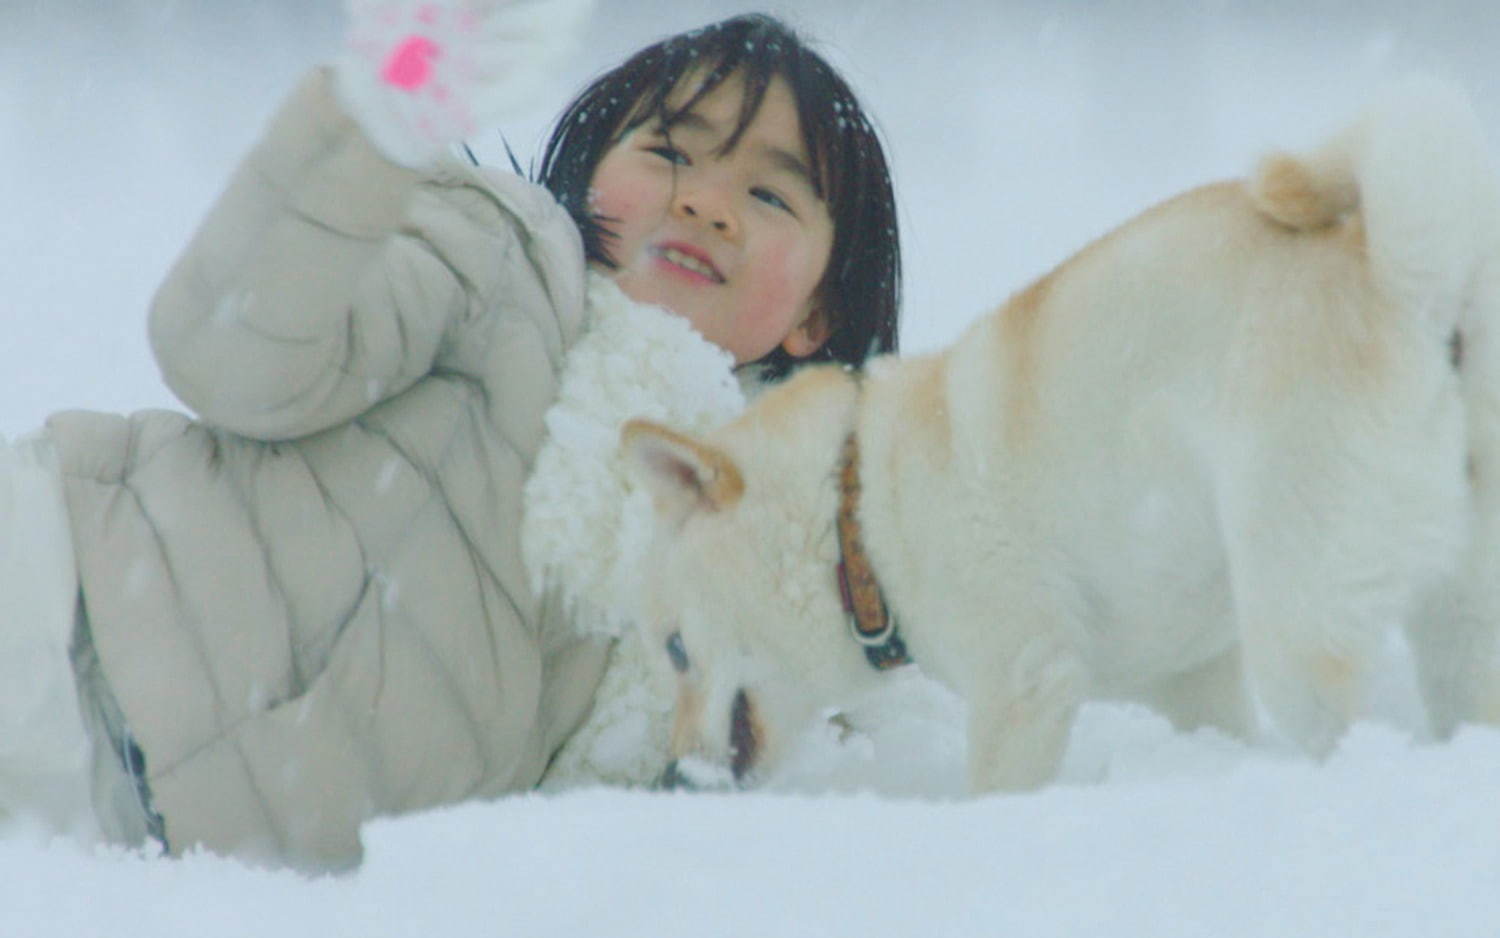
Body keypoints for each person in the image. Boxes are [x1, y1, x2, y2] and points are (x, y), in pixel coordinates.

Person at [0, 0, 901, 872]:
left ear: (820, 308)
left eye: (770, 193)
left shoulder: (767, 541)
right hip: (57, 608)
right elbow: (232, 350)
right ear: (587, 173)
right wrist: (374, 126)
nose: (705, 202)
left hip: (115, 827)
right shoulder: (499, 268)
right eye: (668, 150)